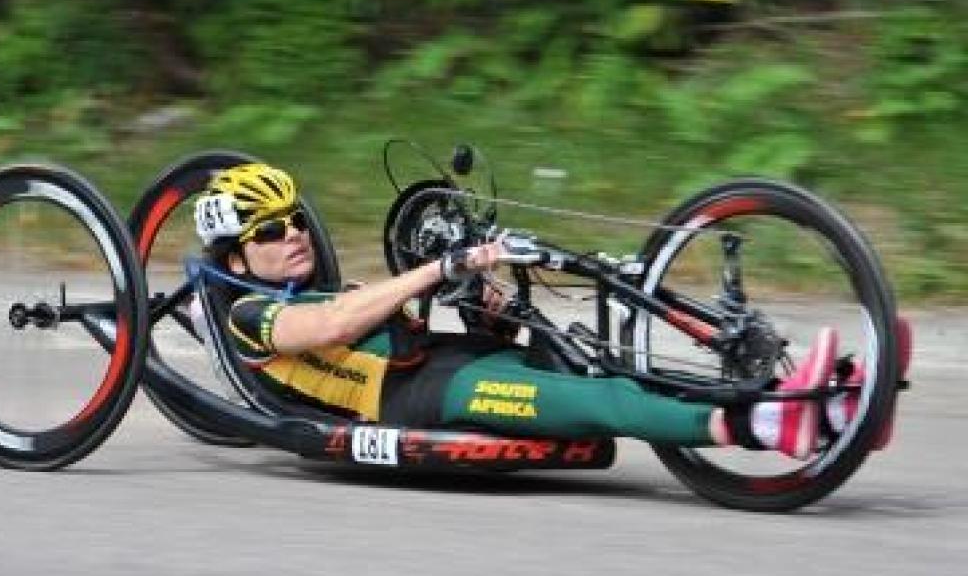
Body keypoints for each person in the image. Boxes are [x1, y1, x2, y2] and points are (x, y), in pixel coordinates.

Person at [191, 163, 890, 460]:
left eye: (296, 223)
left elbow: (380, 317)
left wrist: (485, 304)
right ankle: (767, 423)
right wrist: (441, 269)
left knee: (602, 362)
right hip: (421, 399)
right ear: (234, 255)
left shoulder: (328, 289)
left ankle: (831, 410)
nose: (294, 237)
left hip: (453, 364)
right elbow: (333, 332)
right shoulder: (249, 316)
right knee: (609, 401)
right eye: (270, 232)